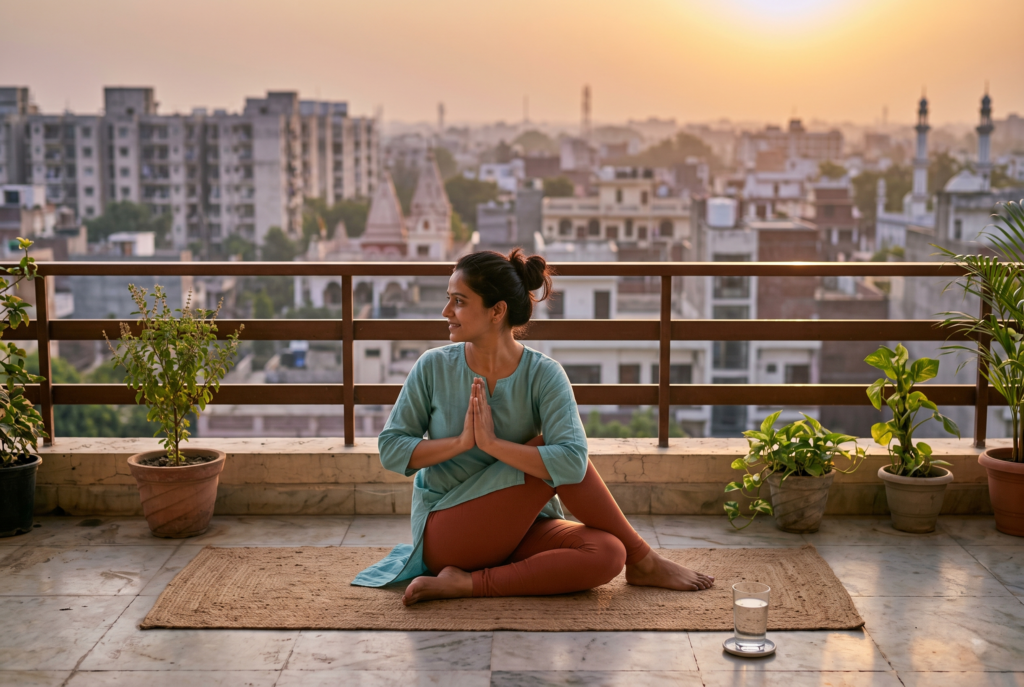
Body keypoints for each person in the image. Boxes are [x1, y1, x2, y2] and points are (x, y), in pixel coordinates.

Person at [352, 249, 714, 605]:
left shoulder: (544, 374)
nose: (446, 311)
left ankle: (468, 584)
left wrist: (493, 445)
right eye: (449, 299)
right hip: (447, 532)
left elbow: (571, 463)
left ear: (497, 311)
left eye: (459, 301)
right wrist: (463, 442)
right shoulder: (432, 366)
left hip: (519, 526)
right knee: (552, 454)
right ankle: (646, 560)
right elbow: (392, 448)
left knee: (607, 553)